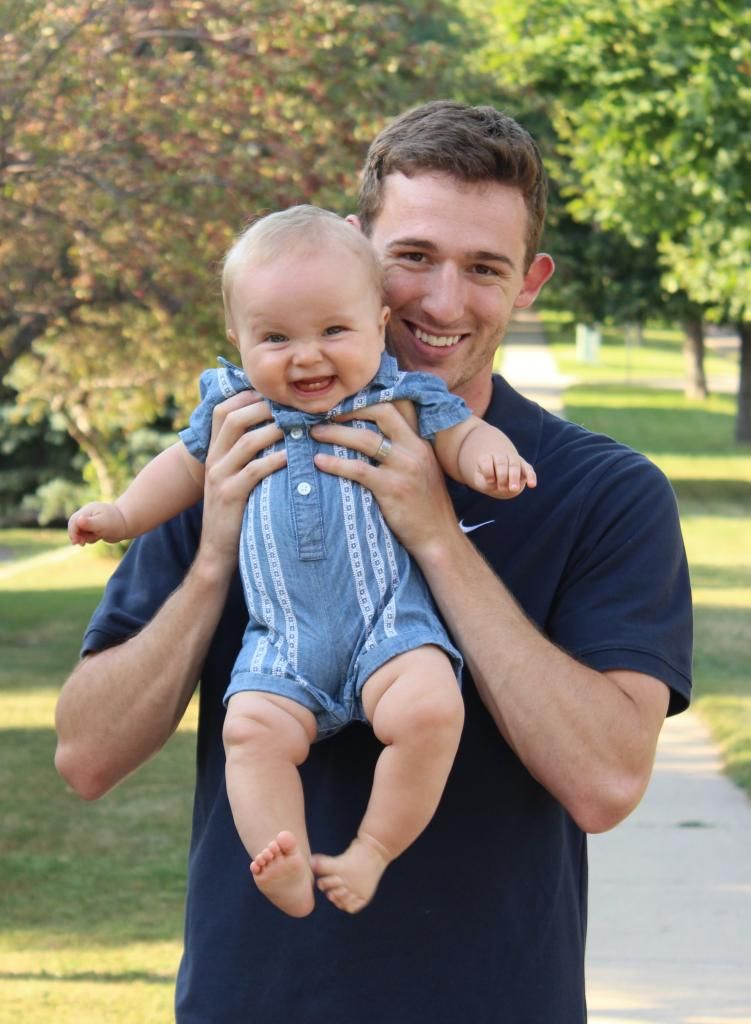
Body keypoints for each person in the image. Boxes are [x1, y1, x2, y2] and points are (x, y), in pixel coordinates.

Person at [55, 100, 692, 1023]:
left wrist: (434, 535)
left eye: (484, 268)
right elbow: (85, 756)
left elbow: (604, 783)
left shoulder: (604, 492)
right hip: (254, 1000)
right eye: (414, 258)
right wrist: (212, 559)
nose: (441, 302)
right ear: (358, 252)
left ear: (529, 282)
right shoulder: (240, 446)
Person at [66, 205, 537, 917]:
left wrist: (488, 457)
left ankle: (371, 849)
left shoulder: (402, 396)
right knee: (248, 732)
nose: (307, 356)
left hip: (391, 631)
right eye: (276, 337)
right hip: (283, 645)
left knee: (432, 710)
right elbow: (180, 466)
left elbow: (460, 436)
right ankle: (283, 861)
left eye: (333, 331)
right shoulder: (235, 411)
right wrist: (124, 515)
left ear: (379, 321)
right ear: (237, 337)